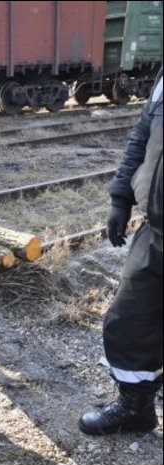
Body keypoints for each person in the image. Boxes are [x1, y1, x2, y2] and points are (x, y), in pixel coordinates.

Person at [79, 68, 162, 435]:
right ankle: (137, 408)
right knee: (129, 320)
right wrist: (121, 198)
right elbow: (142, 137)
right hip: (157, 230)